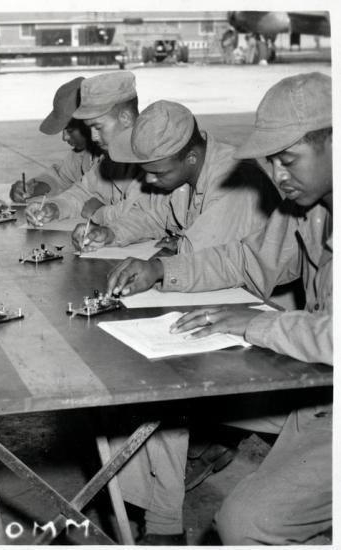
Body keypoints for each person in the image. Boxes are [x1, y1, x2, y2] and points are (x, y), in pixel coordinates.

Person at [105, 72, 332, 544]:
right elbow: (247, 258)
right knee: (161, 388)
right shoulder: (311, 209)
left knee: (246, 522)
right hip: (316, 387)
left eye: (288, 160)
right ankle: (163, 526)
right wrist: (165, 272)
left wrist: (257, 325)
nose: (277, 176)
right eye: (273, 162)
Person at [72, 100, 280, 253]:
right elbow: (152, 216)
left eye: (157, 173)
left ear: (191, 157)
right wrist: (110, 233)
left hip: (260, 302)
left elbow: (199, 256)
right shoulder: (181, 174)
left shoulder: (235, 181)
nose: (149, 180)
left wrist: (178, 247)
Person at [24, 72, 145, 227]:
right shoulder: (111, 157)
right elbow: (83, 192)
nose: (93, 137)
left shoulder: (153, 157)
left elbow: (146, 215)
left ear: (125, 118)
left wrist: (100, 213)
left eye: (98, 127)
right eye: (90, 128)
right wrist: (54, 208)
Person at [9, 76, 102, 202]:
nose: (64, 137)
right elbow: (61, 178)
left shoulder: (118, 155)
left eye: (69, 130)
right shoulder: (84, 153)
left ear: (90, 122)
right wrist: (31, 190)